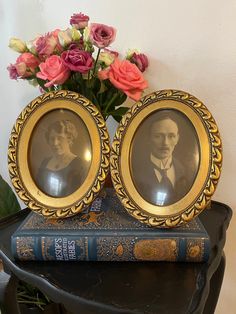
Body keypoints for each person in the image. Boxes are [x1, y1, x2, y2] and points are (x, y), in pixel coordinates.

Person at [133, 114, 189, 206]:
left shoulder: (185, 170)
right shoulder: (135, 170)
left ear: (177, 139)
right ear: (149, 138)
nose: (165, 143)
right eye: (158, 136)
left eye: (171, 136)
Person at [37, 120, 84, 197]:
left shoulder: (78, 164)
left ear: (69, 139)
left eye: (60, 138)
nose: (55, 143)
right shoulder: (45, 162)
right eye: (52, 139)